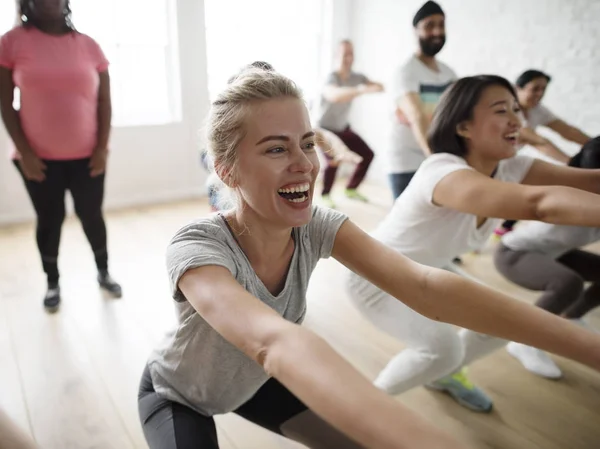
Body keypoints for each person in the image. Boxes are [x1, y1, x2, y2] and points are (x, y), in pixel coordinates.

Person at [139, 68, 600, 449]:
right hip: (181, 394)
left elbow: (423, 286)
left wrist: (588, 348)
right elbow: (273, 343)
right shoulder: (197, 246)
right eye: (276, 148)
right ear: (227, 169)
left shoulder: (316, 226)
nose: (304, 163)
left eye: (307, 142)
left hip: (255, 381)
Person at [345, 74, 600, 413]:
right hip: (374, 277)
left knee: (501, 323)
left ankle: (444, 376)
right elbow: (537, 204)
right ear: (463, 127)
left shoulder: (511, 167)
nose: (516, 119)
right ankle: (353, 415)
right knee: (442, 348)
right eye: (501, 110)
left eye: (515, 108)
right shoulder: (443, 172)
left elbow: (592, 181)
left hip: (428, 271)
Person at [0, 0, 121, 311]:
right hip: (37, 160)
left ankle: (103, 271)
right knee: (50, 219)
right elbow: (5, 103)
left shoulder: (89, 46)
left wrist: (101, 148)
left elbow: (104, 103)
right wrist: (25, 153)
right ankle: (52, 281)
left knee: (91, 215)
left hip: (88, 157)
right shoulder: (12, 43)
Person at [494, 136, 600, 379]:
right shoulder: (572, 196)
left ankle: (570, 317)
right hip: (514, 253)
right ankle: (523, 341)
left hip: (556, 252)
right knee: (567, 283)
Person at [495, 69, 593, 236]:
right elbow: (538, 141)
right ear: (517, 88)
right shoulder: (507, 109)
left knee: (527, 187)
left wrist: (594, 144)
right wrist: (570, 164)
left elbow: (568, 131)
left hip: (507, 161)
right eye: (535, 89)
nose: (539, 94)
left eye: (543, 89)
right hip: (486, 162)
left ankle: (503, 228)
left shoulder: (537, 110)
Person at [388, 1, 457, 200]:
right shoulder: (406, 72)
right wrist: (436, 159)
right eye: (429, 25)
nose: (437, 31)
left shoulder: (449, 73)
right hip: (407, 162)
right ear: (416, 31)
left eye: (441, 24)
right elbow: (417, 115)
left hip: (439, 155)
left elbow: (457, 114)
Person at [315, 39, 383, 208]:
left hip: (343, 128)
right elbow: (334, 95)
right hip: (324, 129)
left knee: (367, 154)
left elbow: (379, 86)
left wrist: (373, 87)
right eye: (345, 54)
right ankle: (325, 195)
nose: (348, 58)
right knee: (334, 159)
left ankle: (351, 189)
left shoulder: (357, 77)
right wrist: (360, 90)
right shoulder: (332, 78)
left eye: (351, 54)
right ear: (337, 56)